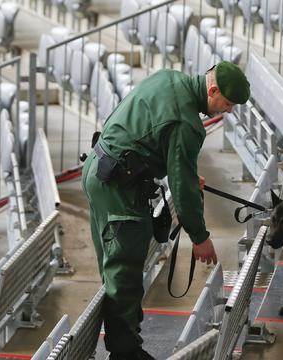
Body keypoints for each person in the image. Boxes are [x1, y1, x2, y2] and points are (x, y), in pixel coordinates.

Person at [81, 61, 250, 360]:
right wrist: (200, 238)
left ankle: (123, 342)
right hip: (119, 189)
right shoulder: (187, 123)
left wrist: (177, 166)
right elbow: (183, 190)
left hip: (98, 168)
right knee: (124, 271)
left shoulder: (169, 77)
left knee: (113, 265)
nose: (228, 110)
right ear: (212, 90)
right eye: (227, 103)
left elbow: (143, 130)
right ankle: (125, 353)